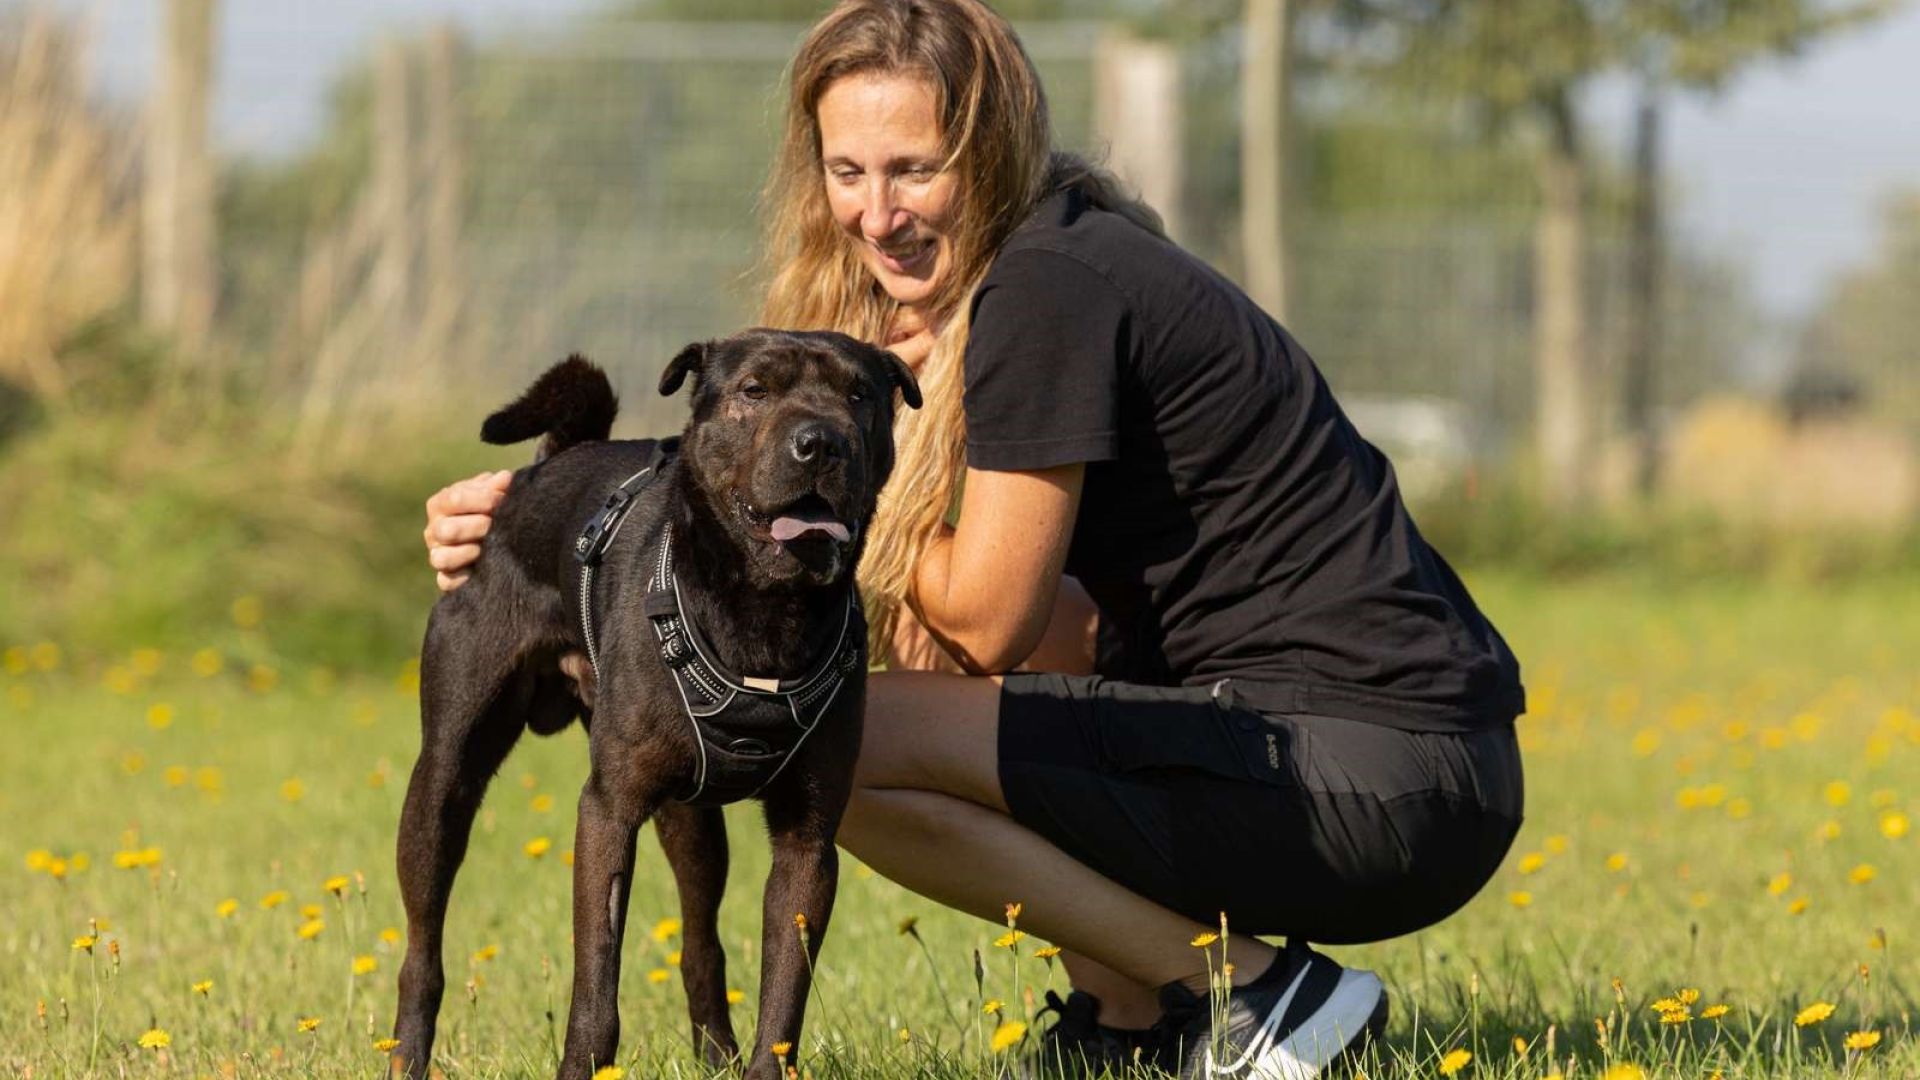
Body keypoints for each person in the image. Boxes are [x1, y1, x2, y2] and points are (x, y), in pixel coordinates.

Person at [422, 1, 1525, 1075]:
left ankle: (1250, 994)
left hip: (1363, 775)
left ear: (991, 154)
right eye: (847, 173)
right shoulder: (1059, 261)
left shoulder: (1044, 289)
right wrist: (545, 507)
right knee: (898, 682)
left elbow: (990, 621)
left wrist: (849, 505)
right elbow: (1066, 633)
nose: (876, 212)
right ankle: (1136, 1013)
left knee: (824, 749)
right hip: (1415, 774)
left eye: (915, 170)